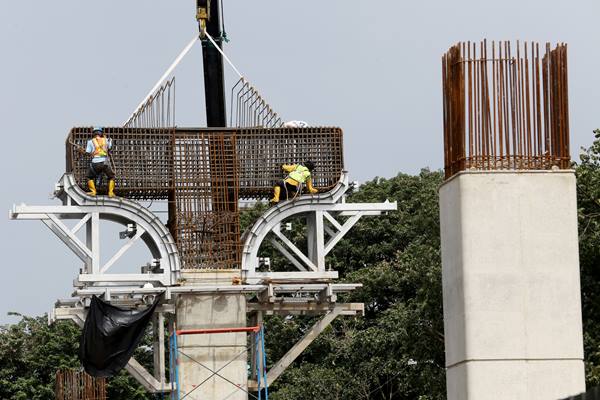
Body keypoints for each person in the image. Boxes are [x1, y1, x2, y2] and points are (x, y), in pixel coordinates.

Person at [79, 127, 116, 197]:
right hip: (105, 163)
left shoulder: (90, 142)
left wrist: (81, 151)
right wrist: (109, 141)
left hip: (95, 163)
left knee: (89, 177)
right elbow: (110, 148)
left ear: (94, 134)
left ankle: (93, 191)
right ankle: (110, 192)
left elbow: (88, 152)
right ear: (101, 133)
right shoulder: (106, 140)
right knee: (111, 177)